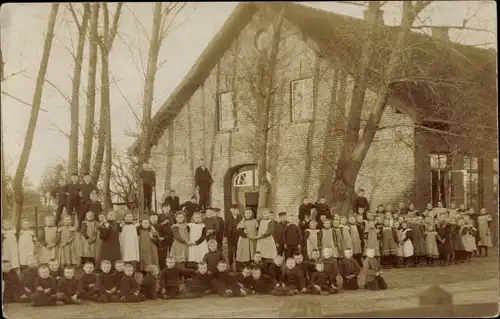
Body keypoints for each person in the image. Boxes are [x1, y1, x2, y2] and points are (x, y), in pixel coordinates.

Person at [224, 204, 242, 269]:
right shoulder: (228, 217)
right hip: (230, 237)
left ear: (237, 210)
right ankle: (230, 265)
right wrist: (225, 237)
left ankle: (238, 265)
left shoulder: (241, 217)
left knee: (238, 251)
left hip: (239, 237)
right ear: (230, 210)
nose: (234, 211)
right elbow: (225, 227)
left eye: (235, 209)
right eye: (233, 210)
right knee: (230, 252)